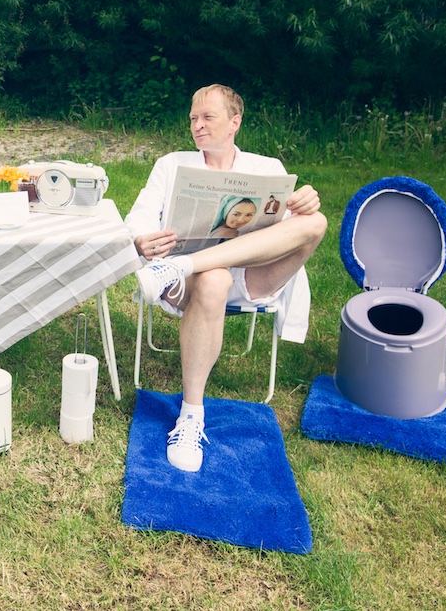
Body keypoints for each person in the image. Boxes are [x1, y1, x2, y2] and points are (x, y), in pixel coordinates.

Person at [125, 84, 327, 472]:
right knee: (214, 278)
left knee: (315, 222)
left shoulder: (267, 167)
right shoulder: (172, 164)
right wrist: (141, 238)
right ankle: (191, 415)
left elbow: (287, 229)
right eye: (193, 118)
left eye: (207, 117)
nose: (197, 125)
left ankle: (186, 263)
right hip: (189, 286)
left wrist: (304, 202)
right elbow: (140, 215)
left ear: (235, 122)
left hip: (253, 277)